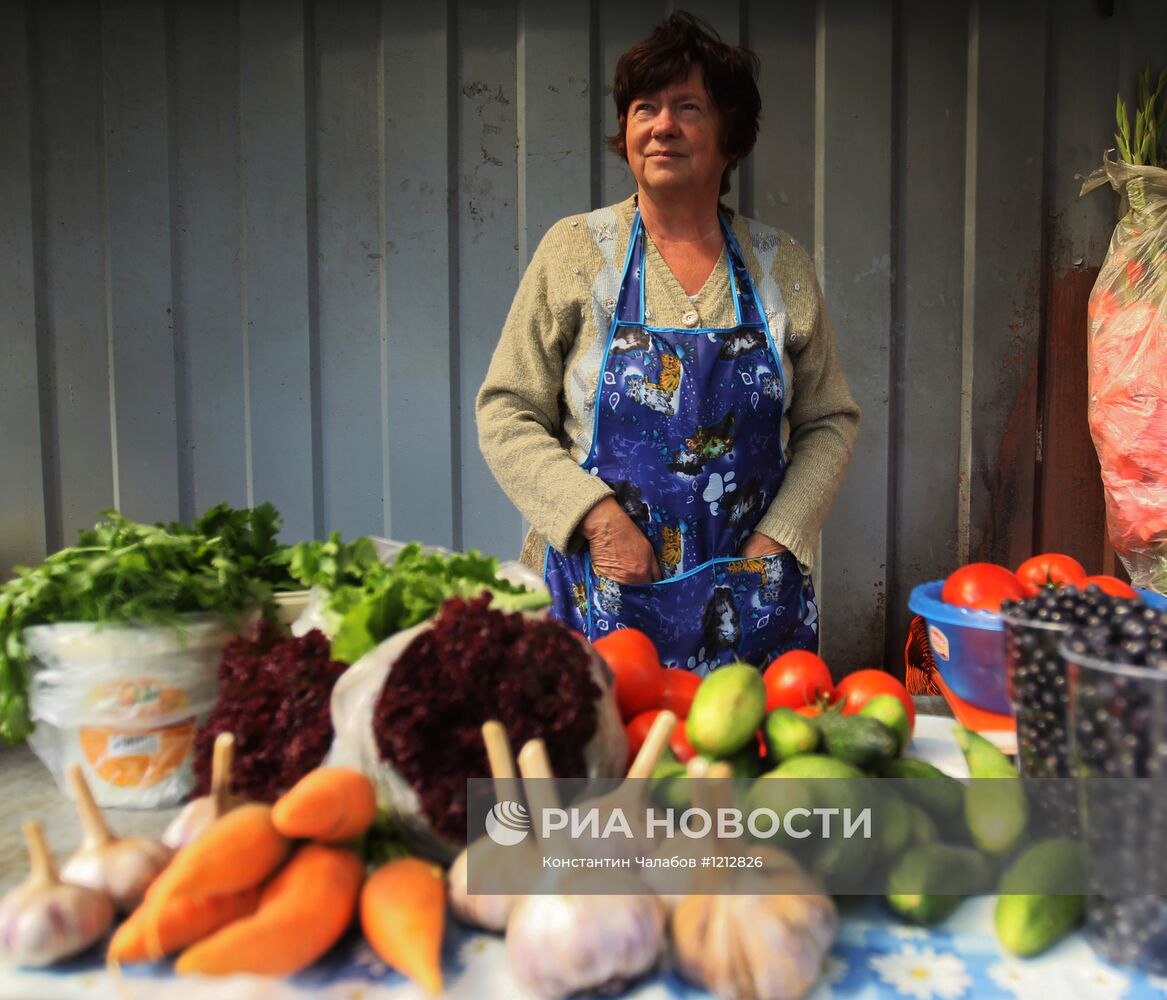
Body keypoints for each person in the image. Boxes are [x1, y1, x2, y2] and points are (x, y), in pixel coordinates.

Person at [476, 12, 859, 675]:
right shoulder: (575, 251)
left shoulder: (778, 263)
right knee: (593, 772)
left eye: (688, 107)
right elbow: (506, 411)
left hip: (749, 598)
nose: (661, 124)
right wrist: (594, 519)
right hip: (594, 593)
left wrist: (781, 535)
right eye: (643, 107)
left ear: (729, 136)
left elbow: (830, 420)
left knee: (746, 769)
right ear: (624, 131)